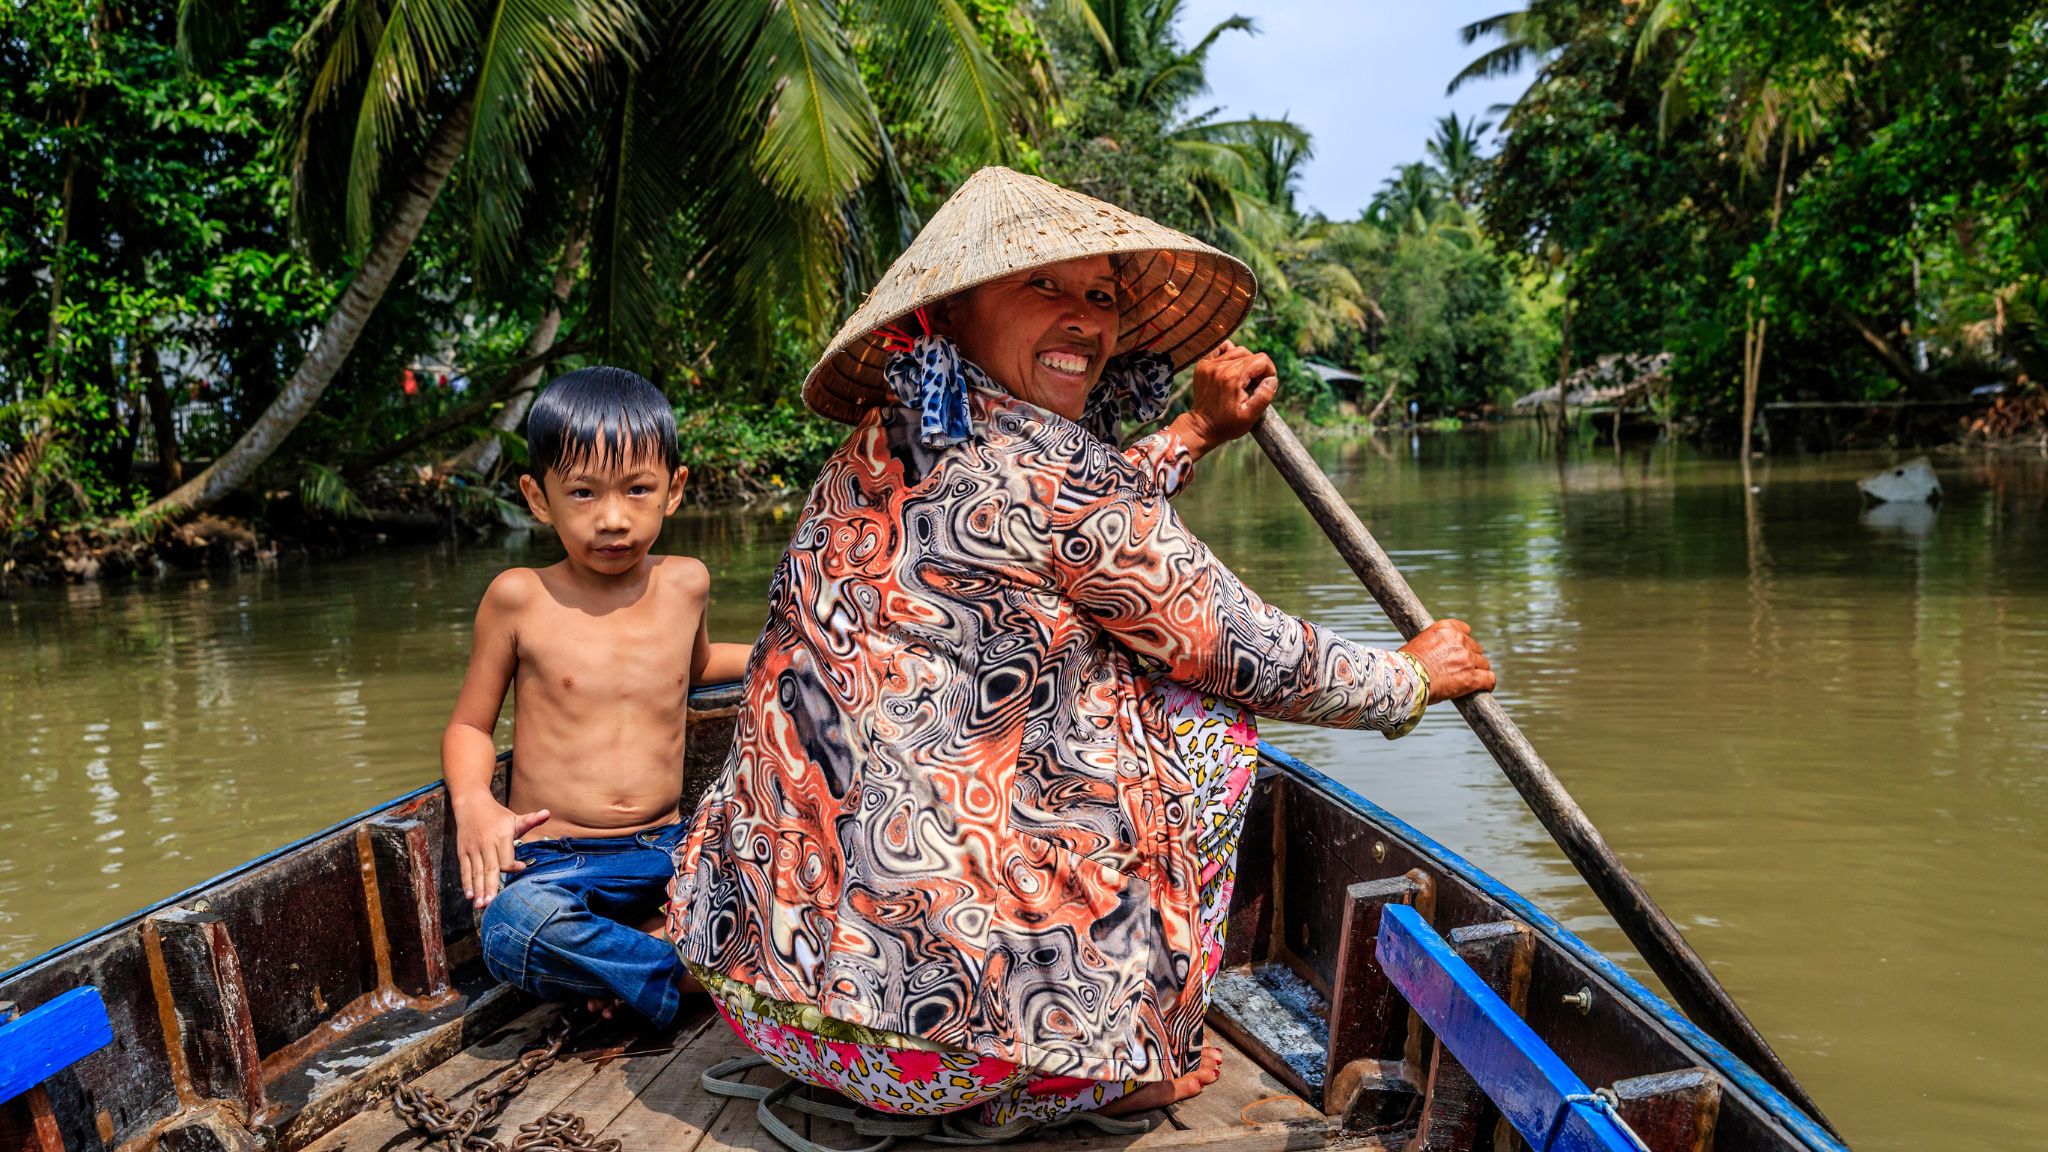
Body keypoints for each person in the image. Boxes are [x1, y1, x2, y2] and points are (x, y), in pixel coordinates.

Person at [668, 169, 1494, 1133]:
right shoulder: (1063, 479)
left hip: (766, 998)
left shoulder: (890, 436)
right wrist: (1409, 676)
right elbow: (1247, 648)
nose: (1085, 322)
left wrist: (1191, 432)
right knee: (1201, 719)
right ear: (951, 311)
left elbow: (1065, 514)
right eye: (1043, 287)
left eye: (1100, 297)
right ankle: (1125, 1052)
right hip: (943, 1049)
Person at [442, 366, 750, 1028]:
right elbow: (470, 725)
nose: (612, 519)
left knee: (770, 862)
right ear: (538, 497)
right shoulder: (519, 597)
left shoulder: (686, 584)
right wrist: (474, 805)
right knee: (511, 928)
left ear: (674, 490)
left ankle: (625, 965)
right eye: (582, 493)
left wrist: (785, 655)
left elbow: (693, 668)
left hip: (665, 849)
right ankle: (688, 971)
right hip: (555, 863)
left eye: (638, 490)